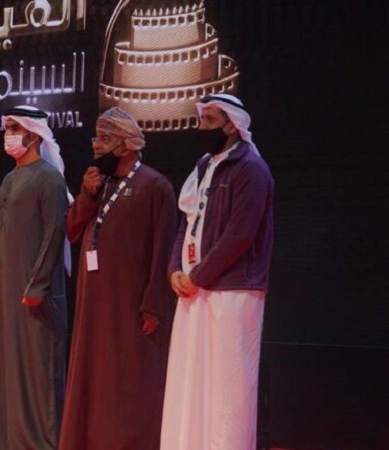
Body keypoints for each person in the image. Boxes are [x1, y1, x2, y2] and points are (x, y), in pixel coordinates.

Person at [160, 94, 274, 450]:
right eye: (201, 119)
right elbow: (187, 222)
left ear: (231, 125)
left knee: (228, 390)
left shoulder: (250, 169)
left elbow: (240, 234)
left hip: (233, 290)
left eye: (209, 120)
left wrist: (197, 276)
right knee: (190, 381)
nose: (202, 127)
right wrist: (175, 269)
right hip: (194, 289)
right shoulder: (203, 166)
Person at [59, 107, 177, 450]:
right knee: (94, 376)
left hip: (130, 303)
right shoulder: (99, 183)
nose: (96, 146)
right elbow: (71, 230)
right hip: (94, 303)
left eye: (105, 139)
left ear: (126, 145)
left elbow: (163, 249)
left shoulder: (155, 185)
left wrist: (153, 303)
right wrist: (86, 194)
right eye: (96, 137)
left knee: (129, 378)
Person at [0, 105, 70, 450]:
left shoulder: (49, 178)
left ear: (34, 134)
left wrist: (38, 285)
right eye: (7, 128)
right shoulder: (9, 179)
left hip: (35, 296)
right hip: (7, 292)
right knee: (8, 370)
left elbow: (54, 233)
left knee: (37, 372)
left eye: (15, 128)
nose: (8, 135)